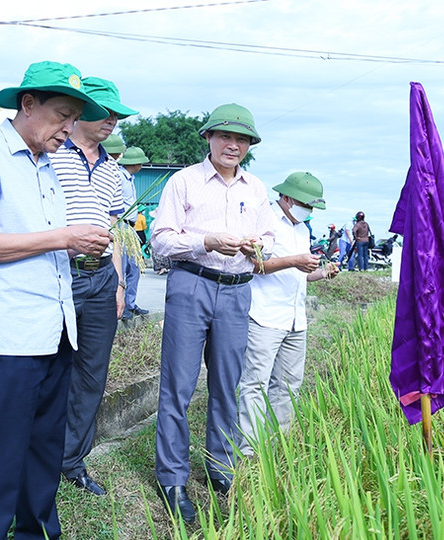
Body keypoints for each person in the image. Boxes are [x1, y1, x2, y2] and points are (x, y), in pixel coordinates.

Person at [0, 61, 111, 540]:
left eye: (74, 118)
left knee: (43, 451)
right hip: (10, 334)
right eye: (61, 114)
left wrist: (78, 244)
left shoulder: (47, 164)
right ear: (28, 103)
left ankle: (38, 533)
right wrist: (64, 237)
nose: (68, 128)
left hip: (56, 329)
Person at [150, 103, 276, 522]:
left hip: (238, 291)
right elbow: (162, 241)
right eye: (225, 136)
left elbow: (270, 240)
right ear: (208, 137)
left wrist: (259, 245)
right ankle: (172, 477)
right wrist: (207, 242)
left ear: (249, 146)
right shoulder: (183, 182)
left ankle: (220, 467)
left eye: (241, 139)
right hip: (191, 284)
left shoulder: (256, 189)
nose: (233, 145)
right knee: (178, 387)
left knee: (228, 385)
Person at [49, 76, 137, 496]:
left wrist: (119, 283)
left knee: (92, 373)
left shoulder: (113, 171)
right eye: (107, 113)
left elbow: (115, 230)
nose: (113, 122)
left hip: (102, 278)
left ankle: (72, 461)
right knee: (51, 369)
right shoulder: (51, 155)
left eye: (119, 116)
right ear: (81, 111)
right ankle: (42, 456)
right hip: (60, 274)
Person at [238, 172, 338, 457]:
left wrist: (322, 273)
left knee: (288, 386)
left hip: (296, 318)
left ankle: (276, 448)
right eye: (305, 204)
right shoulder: (265, 221)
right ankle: (248, 452)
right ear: (287, 198)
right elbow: (255, 264)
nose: (308, 211)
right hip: (265, 316)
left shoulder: (302, 229)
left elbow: (300, 275)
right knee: (255, 385)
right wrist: (295, 260)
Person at [118, 146, 151, 321]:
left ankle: (130, 303)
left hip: (131, 227)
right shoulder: (119, 177)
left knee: (134, 268)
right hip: (121, 226)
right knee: (122, 268)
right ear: (136, 163)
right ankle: (121, 305)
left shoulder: (129, 178)